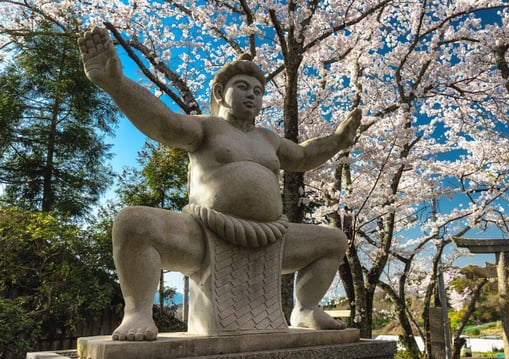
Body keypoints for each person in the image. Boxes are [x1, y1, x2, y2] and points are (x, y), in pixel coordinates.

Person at [78, 28, 361, 341]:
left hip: (272, 238)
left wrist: (337, 141)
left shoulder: (269, 139)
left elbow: (305, 155)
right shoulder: (207, 127)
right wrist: (116, 84)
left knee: (334, 241)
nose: (252, 94)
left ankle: (306, 308)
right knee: (133, 223)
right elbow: (163, 124)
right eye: (243, 86)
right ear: (219, 93)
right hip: (204, 234)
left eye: (258, 90)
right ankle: (138, 311)